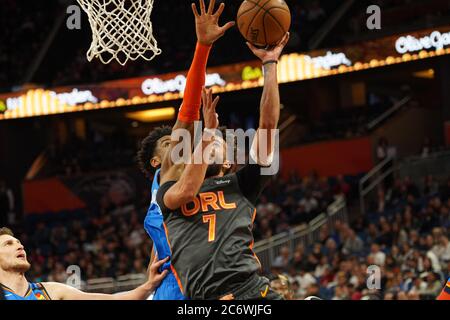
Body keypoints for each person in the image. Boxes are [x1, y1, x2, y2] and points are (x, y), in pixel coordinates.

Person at [156, 33, 290, 299]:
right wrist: (208, 133)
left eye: (217, 143)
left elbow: (267, 126)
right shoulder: (169, 190)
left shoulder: (243, 184)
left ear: (228, 161)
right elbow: (186, 191)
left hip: (249, 291)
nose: (208, 145)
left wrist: (270, 63)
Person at [136, 0, 234, 300]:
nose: (177, 143)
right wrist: (202, 46)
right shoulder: (168, 177)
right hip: (176, 286)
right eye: (167, 144)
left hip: (202, 279)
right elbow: (189, 106)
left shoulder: (172, 190)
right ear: (156, 161)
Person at [0, 227, 167, 300]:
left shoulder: (51, 291)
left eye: (18, 242)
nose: (19, 245)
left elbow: (115, 299)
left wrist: (149, 285)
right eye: (8, 244)